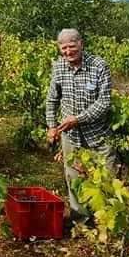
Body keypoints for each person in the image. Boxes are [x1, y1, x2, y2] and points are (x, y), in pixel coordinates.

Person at [46, 28, 117, 218]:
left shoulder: (99, 66)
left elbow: (104, 102)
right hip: (71, 136)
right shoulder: (59, 67)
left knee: (107, 175)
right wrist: (52, 126)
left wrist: (78, 119)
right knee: (73, 177)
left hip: (98, 134)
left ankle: (106, 219)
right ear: (59, 48)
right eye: (64, 48)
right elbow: (52, 99)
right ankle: (81, 219)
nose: (68, 52)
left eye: (72, 47)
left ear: (81, 44)